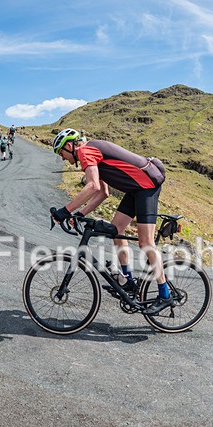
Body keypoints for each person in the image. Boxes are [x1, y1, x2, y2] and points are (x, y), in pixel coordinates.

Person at [49, 128, 172, 314]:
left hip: (146, 187)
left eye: (61, 153)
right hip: (136, 189)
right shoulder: (92, 152)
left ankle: (165, 294)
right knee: (116, 230)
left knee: (146, 242)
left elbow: (92, 186)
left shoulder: (85, 151)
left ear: (69, 146)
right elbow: (103, 192)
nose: (63, 158)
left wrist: (65, 211)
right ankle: (127, 280)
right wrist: (80, 214)